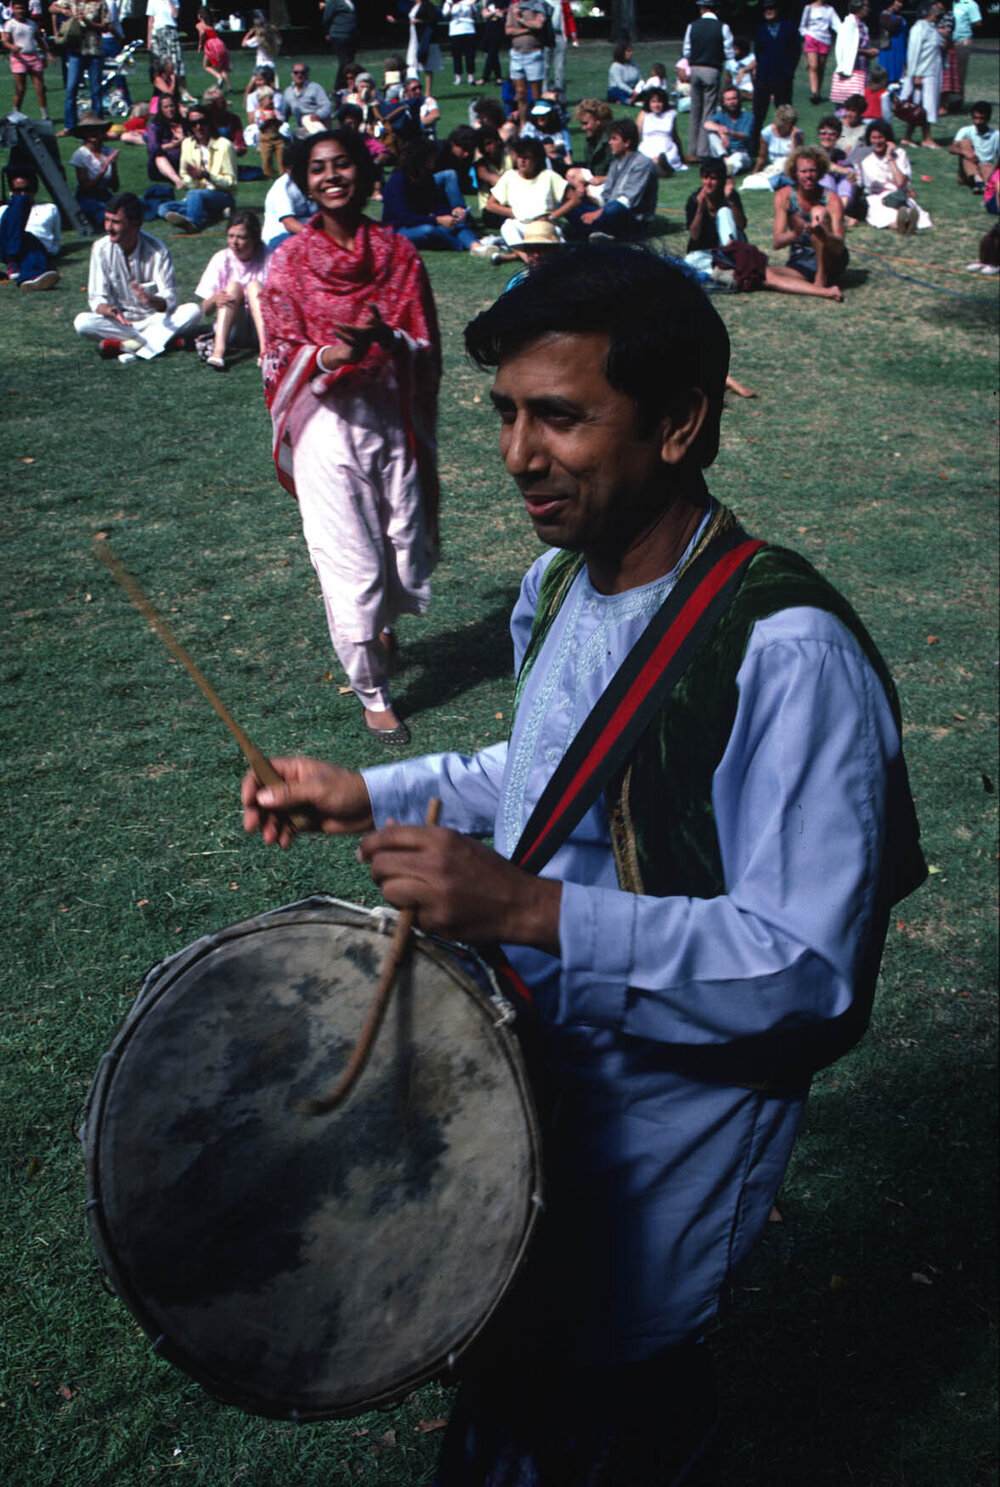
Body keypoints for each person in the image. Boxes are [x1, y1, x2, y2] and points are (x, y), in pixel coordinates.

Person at [242, 241, 924, 1484]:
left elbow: (810, 972)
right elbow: (547, 771)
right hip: (533, 1096)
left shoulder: (787, 651)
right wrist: (365, 791)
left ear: (677, 422)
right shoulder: (562, 583)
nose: (515, 457)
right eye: (504, 414)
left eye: (559, 416)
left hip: (667, 1137)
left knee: (612, 1402)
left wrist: (530, 908)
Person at [259, 129, 441, 744]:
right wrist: (334, 353)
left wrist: (386, 340)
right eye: (317, 169)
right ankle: (373, 692)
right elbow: (277, 353)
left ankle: (385, 626)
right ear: (303, 181)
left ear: (365, 176)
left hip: (390, 417)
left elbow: (423, 341)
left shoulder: (398, 255)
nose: (331, 177)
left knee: (403, 546)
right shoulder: (287, 262)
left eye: (343, 166)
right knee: (352, 566)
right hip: (324, 426)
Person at [74, 190, 200, 361]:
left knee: (193, 311)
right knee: (82, 322)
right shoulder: (100, 248)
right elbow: (96, 299)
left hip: (155, 319)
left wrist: (150, 301)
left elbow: (169, 299)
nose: (109, 227)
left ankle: (127, 346)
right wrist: (110, 310)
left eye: (116, 222)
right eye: (107, 220)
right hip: (121, 324)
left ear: (135, 224)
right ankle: (165, 342)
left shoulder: (158, 250)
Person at [195, 208, 268, 369]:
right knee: (233, 287)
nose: (234, 242)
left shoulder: (269, 256)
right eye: (230, 236)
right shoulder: (221, 258)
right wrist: (214, 299)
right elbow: (205, 311)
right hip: (233, 329)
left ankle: (265, 351)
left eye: (241, 237)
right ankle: (218, 352)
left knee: (254, 286)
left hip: (262, 329)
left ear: (254, 238)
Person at [772, 142, 849, 290]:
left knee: (818, 212)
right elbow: (777, 242)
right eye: (803, 171)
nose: (808, 176)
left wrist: (822, 233)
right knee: (765, 273)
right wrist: (796, 232)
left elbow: (839, 246)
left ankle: (821, 278)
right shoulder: (784, 196)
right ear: (795, 172)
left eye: (813, 171)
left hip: (831, 259)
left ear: (820, 172)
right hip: (802, 260)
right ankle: (817, 290)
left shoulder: (831, 199)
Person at [382, 137, 479, 251]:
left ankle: (476, 246)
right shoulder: (398, 179)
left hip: (420, 222)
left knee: (457, 224)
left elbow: (436, 205)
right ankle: (458, 245)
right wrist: (437, 220)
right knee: (428, 231)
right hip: (399, 229)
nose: (434, 158)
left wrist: (452, 212)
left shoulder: (426, 176)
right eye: (431, 156)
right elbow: (405, 217)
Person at [568, 117, 659, 239]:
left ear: (627, 142)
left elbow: (628, 200)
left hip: (632, 217)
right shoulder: (616, 162)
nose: (610, 143)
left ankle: (589, 230)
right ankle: (596, 232)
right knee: (568, 204)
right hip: (609, 211)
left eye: (614, 139)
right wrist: (583, 196)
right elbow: (607, 195)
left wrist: (597, 214)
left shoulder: (642, 163)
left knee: (613, 209)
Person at [485, 134, 576, 248]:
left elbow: (575, 198)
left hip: (544, 223)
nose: (522, 161)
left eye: (527, 157)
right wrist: (514, 213)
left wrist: (553, 216)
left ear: (536, 159)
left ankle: (520, 255)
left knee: (551, 238)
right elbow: (490, 205)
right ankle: (527, 257)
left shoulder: (549, 176)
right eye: (520, 157)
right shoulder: (509, 177)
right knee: (507, 227)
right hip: (520, 224)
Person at [158, 105, 237, 233]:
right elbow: (187, 180)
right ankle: (214, 213)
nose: (198, 127)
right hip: (197, 194)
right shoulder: (187, 144)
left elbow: (231, 182)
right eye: (193, 124)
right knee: (164, 208)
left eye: (202, 122)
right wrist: (193, 177)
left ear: (209, 123)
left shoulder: (224, 145)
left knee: (194, 195)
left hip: (221, 194)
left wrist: (209, 176)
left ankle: (193, 223)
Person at [682, 0, 736, 160]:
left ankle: (692, 149)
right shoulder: (722, 27)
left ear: (702, 9)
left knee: (695, 109)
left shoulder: (692, 26)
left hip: (695, 69)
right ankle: (704, 150)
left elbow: (686, 51)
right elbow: (729, 53)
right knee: (709, 111)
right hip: (712, 69)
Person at [859, 120, 932, 229]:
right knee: (885, 214)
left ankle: (906, 223)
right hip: (877, 197)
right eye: (874, 138)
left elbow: (901, 182)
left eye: (880, 137)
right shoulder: (864, 157)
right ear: (869, 140)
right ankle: (904, 225)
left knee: (909, 212)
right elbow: (863, 183)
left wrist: (890, 157)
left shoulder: (900, 154)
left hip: (898, 196)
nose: (877, 141)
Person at [50, 0, 109, 134]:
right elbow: (52, 8)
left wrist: (90, 23)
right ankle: (69, 126)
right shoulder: (72, 1)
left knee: (96, 90)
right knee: (71, 89)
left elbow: (106, 26)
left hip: (95, 51)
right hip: (76, 51)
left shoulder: (100, 3)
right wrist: (63, 11)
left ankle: (98, 126)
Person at [751, 1, 800, 157]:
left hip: (783, 78)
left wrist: (788, 70)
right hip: (764, 77)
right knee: (758, 114)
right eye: (766, 9)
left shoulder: (789, 28)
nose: (769, 11)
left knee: (786, 115)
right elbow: (758, 53)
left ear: (778, 10)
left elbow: (795, 52)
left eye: (771, 8)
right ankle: (754, 149)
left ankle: (790, 148)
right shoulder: (760, 31)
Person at [0, 169, 60, 289]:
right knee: (20, 202)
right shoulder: (4, 210)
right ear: (11, 192)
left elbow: (57, 238)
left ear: (34, 190)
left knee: (31, 245)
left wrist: (51, 251)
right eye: (17, 190)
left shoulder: (49, 208)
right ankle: (15, 259)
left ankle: (29, 278)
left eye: (27, 190)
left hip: (36, 247)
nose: (22, 193)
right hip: (7, 247)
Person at [685, 155, 745, 272]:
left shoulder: (730, 196)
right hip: (705, 251)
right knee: (690, 262)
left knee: (724, 212)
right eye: (705, 178)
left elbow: (741, 225)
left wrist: (731, 201)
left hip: (728, 248)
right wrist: (700, 208)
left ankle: (727, 258)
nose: (708, 183)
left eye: (713, 179)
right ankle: (724, 266)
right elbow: (694, 235)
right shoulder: (694, 199)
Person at [898, 1, 944, 147]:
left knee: (920, 106)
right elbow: (913, 53)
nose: (938, 13)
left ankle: (908, 137)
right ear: (929, 12)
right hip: (923, 74)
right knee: (925, 106)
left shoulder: (932, 28)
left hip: (932, 71)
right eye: (936, 10)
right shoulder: (919, 28)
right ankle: (927, 138)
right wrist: (915, 74)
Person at [2, 0, 55, 118]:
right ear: (13, 10)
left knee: (40, 88)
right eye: (17, 8)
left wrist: (48, 53)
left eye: (21, 8)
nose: (19, 11)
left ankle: (45, 115)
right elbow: (5, 41)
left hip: (34, 57)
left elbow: (39, 39)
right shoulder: (10, 24)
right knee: (20, 89)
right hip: (19, 58)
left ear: (26, 9)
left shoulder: (31, 23)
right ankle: (15, 114)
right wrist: (12, 46)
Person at [70, 113, 120, 229]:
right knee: (101, 212)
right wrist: (103, 169)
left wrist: (113, 166)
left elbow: (115, 187)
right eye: (89, 130)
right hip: (87, 197)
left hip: (105, 194)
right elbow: (86, 187)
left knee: (126, 207)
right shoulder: (80, 155)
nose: (94, 133)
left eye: (97, 130)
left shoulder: (108, 151)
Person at [505, 0, 548, 129]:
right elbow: (508, 30)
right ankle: (523, 124)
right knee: (520, 93)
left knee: (536, 95)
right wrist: (527, 30)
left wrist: (521, 20)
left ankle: (537, 123)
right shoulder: (514, 7)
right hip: (516, 55)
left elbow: (539, 24)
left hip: (533, 54)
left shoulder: (538, 5)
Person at [262, 142, 313, 244]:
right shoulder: (282, 188)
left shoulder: (311, 182)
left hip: (304, 233)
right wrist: (316, 236)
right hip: (280, 238)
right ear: (288, 169)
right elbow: (289, 223)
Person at [830, 0, 875, 105]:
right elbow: (847, 47)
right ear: (858, 8)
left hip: (863, 66)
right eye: (865, 7)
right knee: (850, 97)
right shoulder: (849, 24)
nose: (868, 9)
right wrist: (867, 52)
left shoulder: (862, 25)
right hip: (853, 66)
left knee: (861, 96)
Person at [949, 101, 1000, 193]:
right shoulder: (966, 130)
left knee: (988, 171)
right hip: (968, 167)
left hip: (985, 166)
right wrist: (966, 152)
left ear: (988, 118)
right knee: (965, 142)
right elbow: (952, 148)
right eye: (975, 118)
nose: (978, 122)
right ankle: (977, 179)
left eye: (982, 118)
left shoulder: (996, 135)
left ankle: (981, 182)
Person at [703, 83, 753, 175]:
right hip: (725, 153)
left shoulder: (748, 117)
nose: (732, 102)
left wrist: (729, 133)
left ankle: (724, 169)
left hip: (742, 153)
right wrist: (721, 130)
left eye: (734, 98)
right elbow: (706, 124)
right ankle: (725, 161)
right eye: (728, 100)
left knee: (738, 158)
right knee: (712, 135)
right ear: (724, 102)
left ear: (739, 100)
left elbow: (746, 136)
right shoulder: (721, 115)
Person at [636, 87, 685, 178]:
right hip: (648, 146)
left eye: (659, 102)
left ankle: (661, 166)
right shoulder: (644, 114)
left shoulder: (670, 114)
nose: (656, 105)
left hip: (667, 147)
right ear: (649, 103)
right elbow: (636, 135)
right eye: (653, 102)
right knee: (646, 159)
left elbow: (675, 136)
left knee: (668, 158)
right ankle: (659, 167)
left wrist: (681, 154)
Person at [799, 0, 840, 103]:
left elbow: (837, 25)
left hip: (824, 40)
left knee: (821, 67)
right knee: (813, 66)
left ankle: (818, 92)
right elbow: (803, 25)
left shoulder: (829, 10)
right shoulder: (808, 8)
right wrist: (806, 35)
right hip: (811, 38)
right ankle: (814, 93)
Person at [283, 61, 332, 133]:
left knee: (306, 119)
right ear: (292, 75)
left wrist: (318, 115)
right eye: (296, 73)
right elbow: (284, 113)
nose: (299, 75)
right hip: (302, 127)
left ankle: (323, 136)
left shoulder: (315, 88)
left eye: (302, 73)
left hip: (317, 122)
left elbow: (327, 105)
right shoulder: (288, 92)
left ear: (307, 74)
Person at [950, 0, 981, 112]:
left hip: (962, 42)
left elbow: (977, 22)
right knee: (948, 74)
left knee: (959, 74)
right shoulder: (951, 3)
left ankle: (956, 103)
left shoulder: (970, 4)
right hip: (948, 42)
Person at [443, 0, 477, 86]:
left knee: (470, 54)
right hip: (455, 31)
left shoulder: (469, 1)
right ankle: (458, 78)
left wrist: (471, 6)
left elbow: (474, 15)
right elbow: (445, 14)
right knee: (457, 55)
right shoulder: (449, 2)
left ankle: (471, 77)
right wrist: (451, 6)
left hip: (469, 29)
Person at [195, 8, 230, 91]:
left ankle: (218, 77)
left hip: (211, 45)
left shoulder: (199, 25)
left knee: (206, 65)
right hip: (219, 43)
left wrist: (200, 44)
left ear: (199, 16)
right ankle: (229, 87)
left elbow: (202, 33)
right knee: (222, 67)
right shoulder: (210, 25)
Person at [877, 0, 907, 87]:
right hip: (889, 51)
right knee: (887, 76)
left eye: (902, 2)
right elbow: (890, 26)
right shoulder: (885, 14)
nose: (900, 4)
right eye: (898, 2)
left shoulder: (899, 16)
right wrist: (898, 19)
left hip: (900, 50)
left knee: (899, 79)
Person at [606, 41, 640, 105]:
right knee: (618, 93)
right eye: (628, 51)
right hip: (619, 89)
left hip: (633, 89)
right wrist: (631, 91)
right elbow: (619, 83)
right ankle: (627, 101)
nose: (631, 53)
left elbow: (639, 79)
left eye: (631, 51)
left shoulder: (634, 65)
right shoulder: (615, 66)